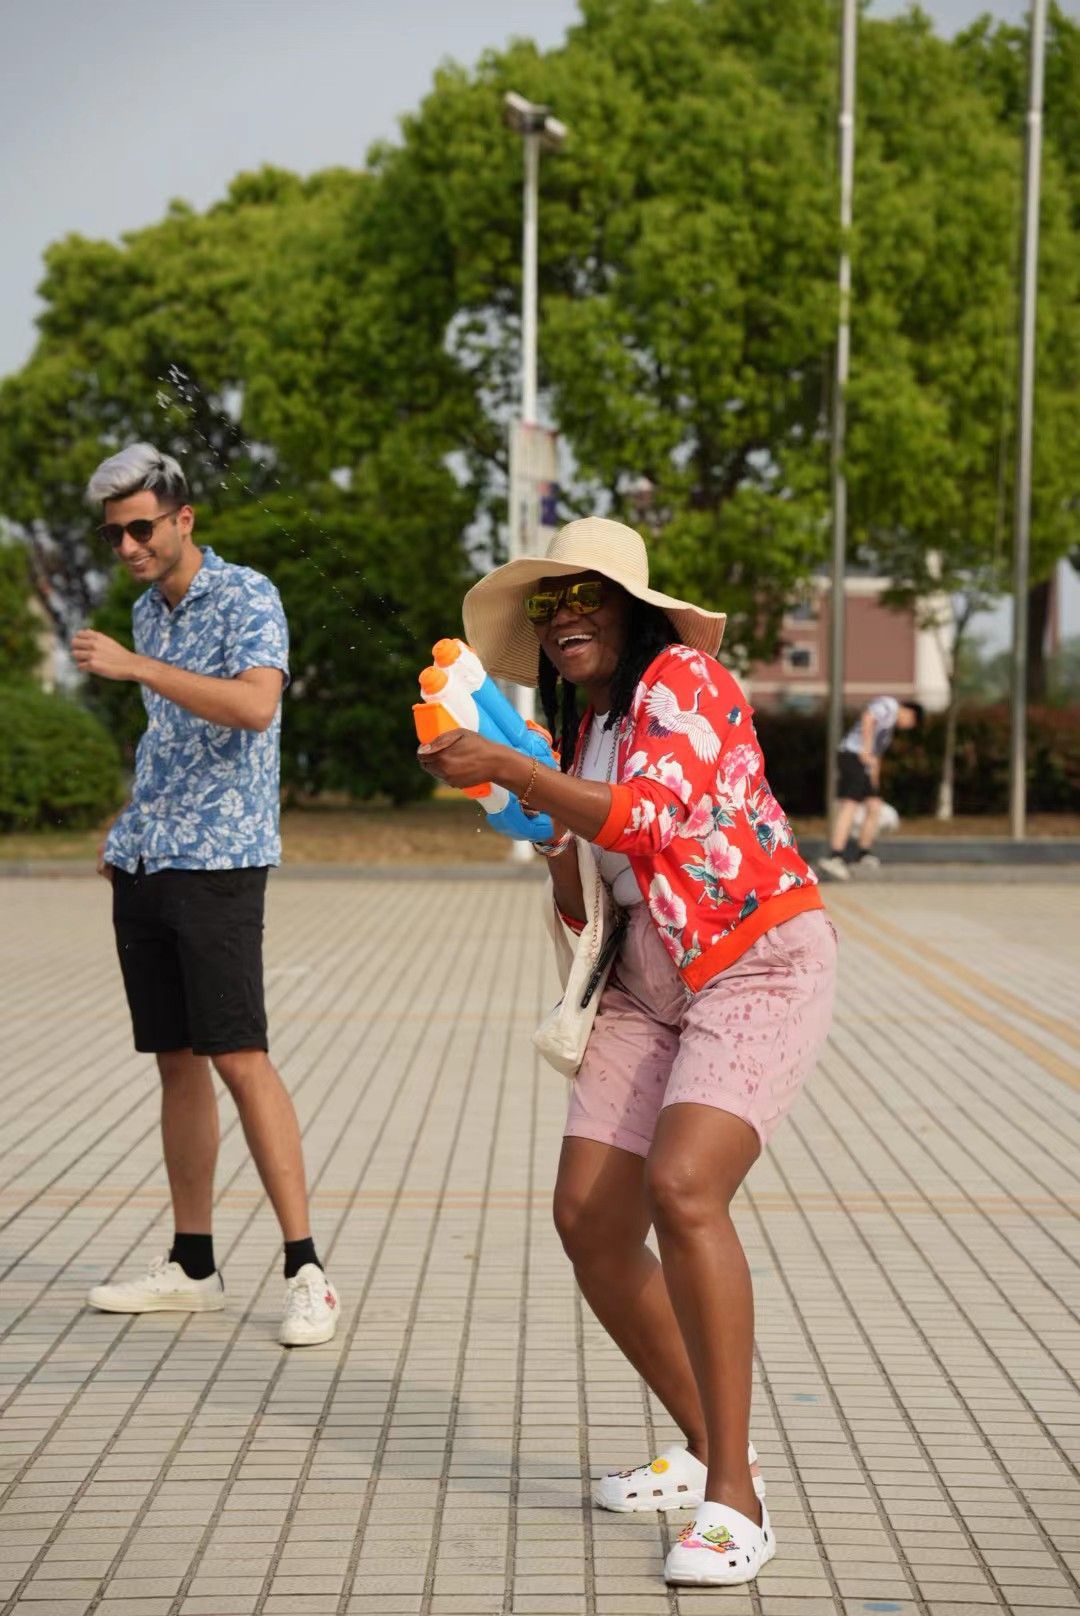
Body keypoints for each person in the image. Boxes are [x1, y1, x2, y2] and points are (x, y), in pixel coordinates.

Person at [418, 517, 837, 1588]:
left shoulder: (685, 679)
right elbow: (583, 911)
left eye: (586, 596)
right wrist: (537, 817)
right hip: (646, 987)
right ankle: (706, 1447)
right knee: (591, 1221)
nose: (565, 618)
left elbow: (649, 820)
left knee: (685, 1187)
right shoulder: (585, 733)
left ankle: (738, 1498)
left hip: (752, 961)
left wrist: (518, 769)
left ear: (634, 609)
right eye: (549, 604)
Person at [72, 443, 339, 1347]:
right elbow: (170, 739)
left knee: (239, 1055)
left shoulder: (248, 595)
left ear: (184, 519)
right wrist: (129, 823)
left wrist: (138, 668)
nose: (129, 547)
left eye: (141, 528)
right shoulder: (148, 611)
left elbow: (256, 706)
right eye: (115, 535)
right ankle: (193, 1265)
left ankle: (308, 1272)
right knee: (176, 1060)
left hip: (221, 861)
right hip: (149, 859)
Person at [818, 695, 924, 881]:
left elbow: (877, 758)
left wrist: (874, 786)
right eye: (911, 724)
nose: (907, 727)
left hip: (864, 764)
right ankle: (835, 856)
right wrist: (865, 750)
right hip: (853, 756)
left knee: (874, 806)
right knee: (850, 805)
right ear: (911, 714)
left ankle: (863, 853)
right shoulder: (889, 705)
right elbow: (868, 718)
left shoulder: (888, 730)